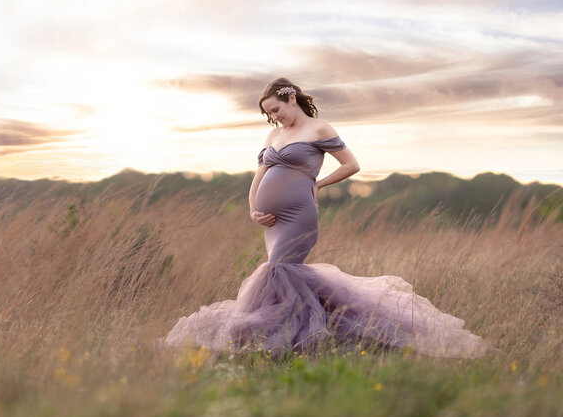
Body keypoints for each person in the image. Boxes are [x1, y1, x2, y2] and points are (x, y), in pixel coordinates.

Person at [160, 77, 489, 358]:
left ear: (291, 98)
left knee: (277, 270)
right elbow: (258, 176)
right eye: (268, 115)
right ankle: (286, 337)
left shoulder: (319, 128)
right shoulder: (273, 137)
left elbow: (351, 165)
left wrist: (319, 183)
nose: (274, 118)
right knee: (281, 275)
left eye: (276, 110)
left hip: (299, 215)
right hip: (272, 222)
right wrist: (252, 208)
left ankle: (282, 339)